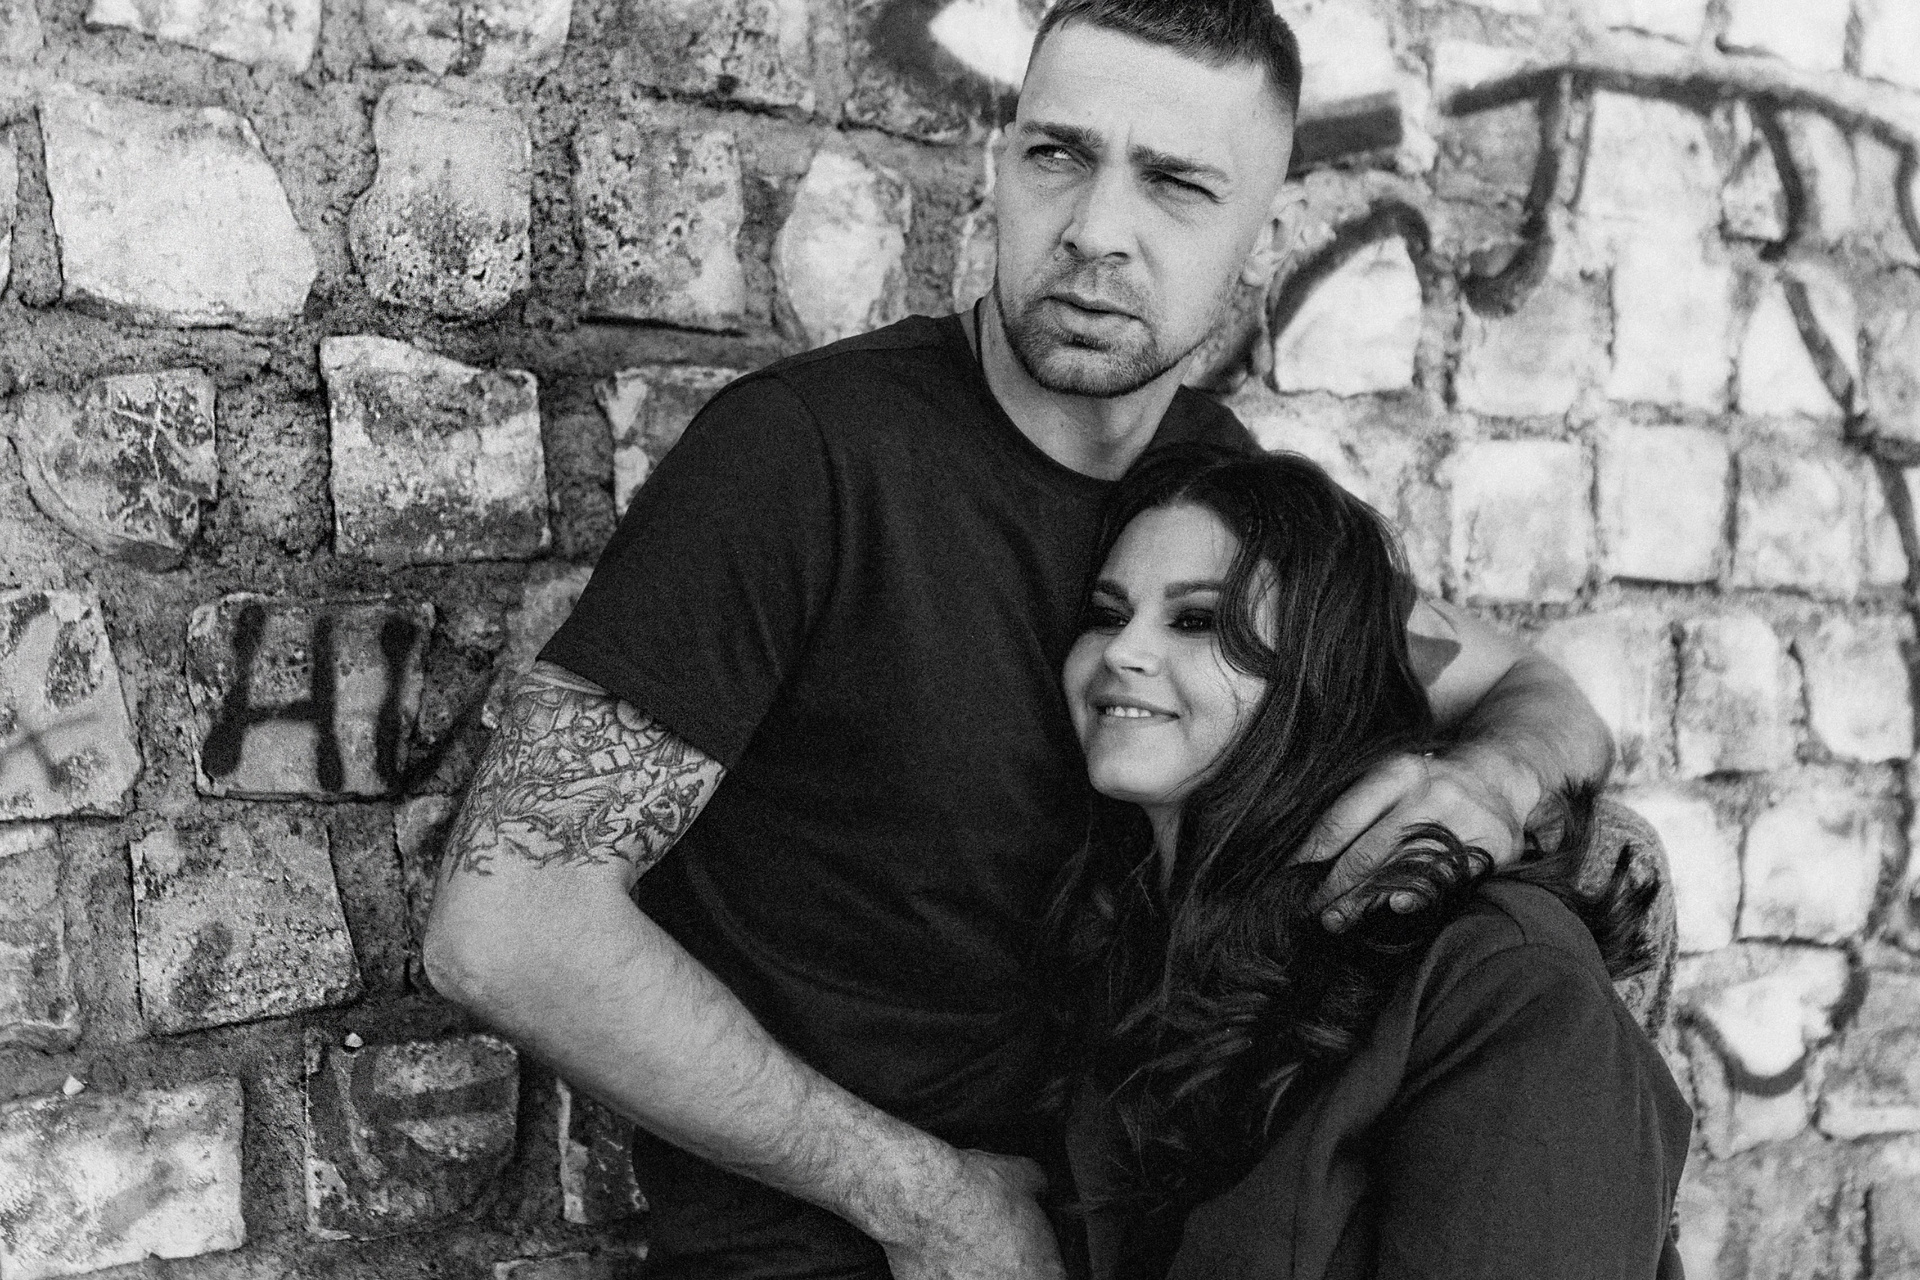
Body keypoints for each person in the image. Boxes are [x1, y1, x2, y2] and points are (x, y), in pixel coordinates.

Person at [422, 2, 1617, 1277]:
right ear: (1000, 163)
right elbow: (506, 928)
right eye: (1059, 154)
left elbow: (1536, 689)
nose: (1097, 228)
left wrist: (1490, 780)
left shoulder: (1216, 498)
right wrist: (921, 1197)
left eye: (1175, 183)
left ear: (1259, 239)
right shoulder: (803, 459)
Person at [1048, 445, 1689, 1280]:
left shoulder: (1498, 982)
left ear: (1321, 676)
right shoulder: (1133, 956)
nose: (1122, 650)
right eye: (1106, 615)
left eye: (1197, 621)